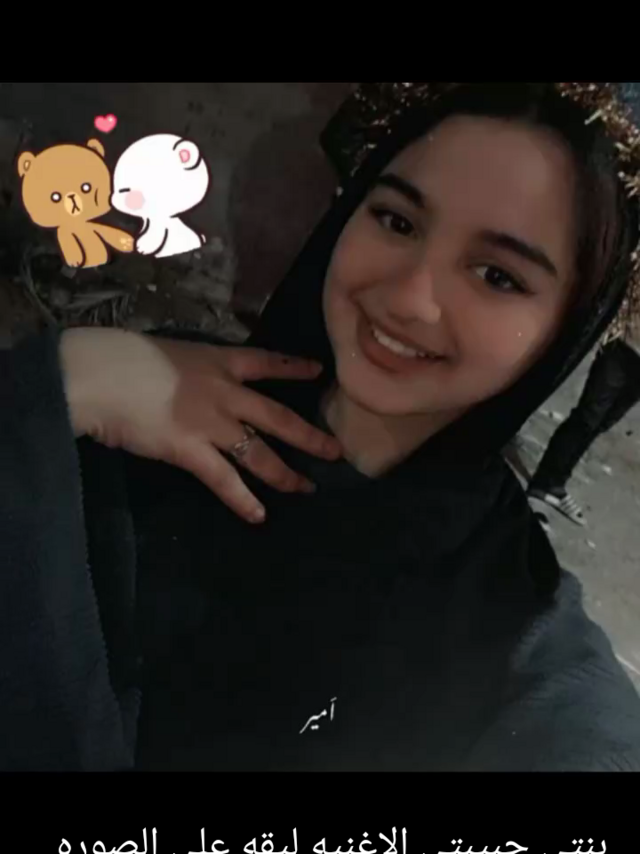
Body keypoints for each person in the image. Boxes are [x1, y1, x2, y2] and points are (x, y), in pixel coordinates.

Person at [3, 81, 640, 772]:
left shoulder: (514, 628)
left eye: (497, 276)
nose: (410, 299)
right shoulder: (137, 396)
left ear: (566, 330)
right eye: (397, 221)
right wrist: (59, 384)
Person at [527, 333, 640, 525]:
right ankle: (541, 485)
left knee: (601, 423)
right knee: (587, 419)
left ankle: (556, 484)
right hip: (624, 346)